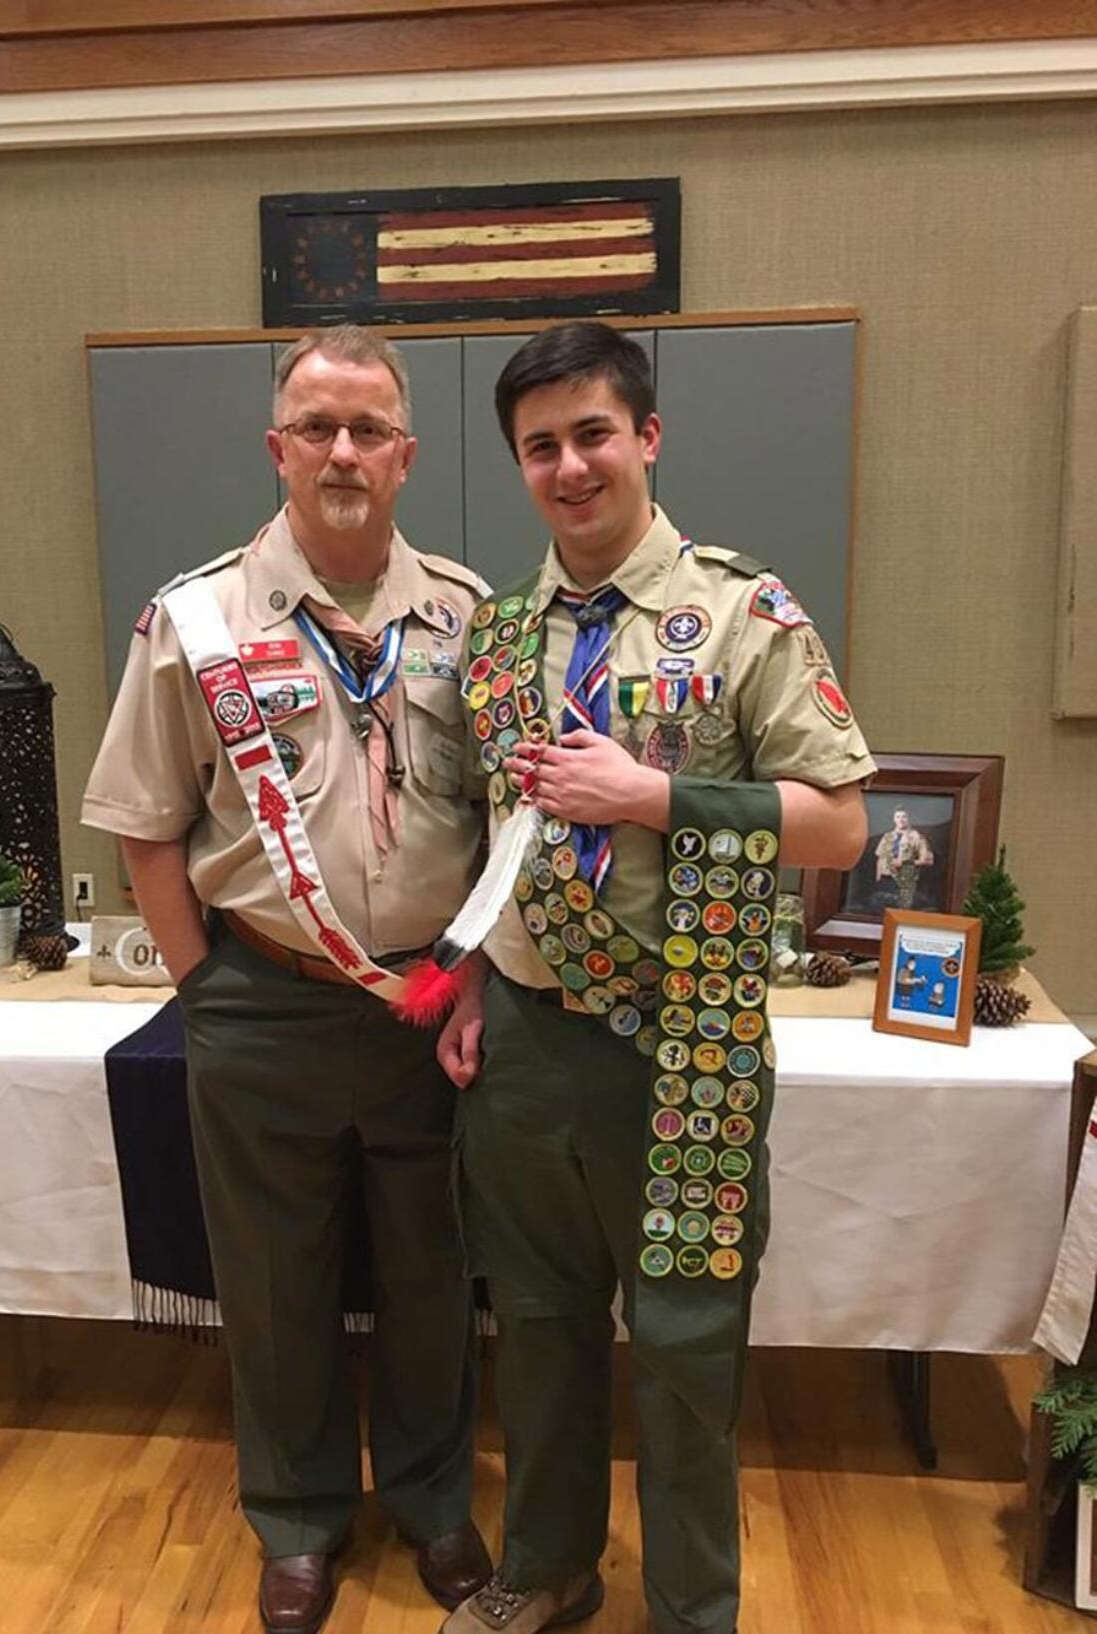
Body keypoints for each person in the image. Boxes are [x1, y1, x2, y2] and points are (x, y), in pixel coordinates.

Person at [436, 321, 875, 1634]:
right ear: (518, 462)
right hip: (517, 1037)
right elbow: (486, 832)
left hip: (681, 1045)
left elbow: (839, 823)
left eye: (591, 434)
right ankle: (548, 1566)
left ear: (645, 437)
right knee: (539, 1318)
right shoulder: (501, 635)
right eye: (539, 446)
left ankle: (691, 1607)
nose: (569, 467)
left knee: (683, 1346)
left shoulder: (745, 615)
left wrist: (656, 794)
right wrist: (464, 979)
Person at [82, 325, 492, 1634]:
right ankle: (299, 1516)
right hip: (258, 994)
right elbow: (146, 824)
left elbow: (510, 823)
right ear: (276, 447)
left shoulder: (471, 617)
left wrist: (476, 974)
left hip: (428, 1004)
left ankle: (431, 1498)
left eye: (367, 428)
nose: (341, 450)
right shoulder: (192, 618)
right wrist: (207, 987)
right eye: (315, 425)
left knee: (433, 1267)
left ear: (407, 455)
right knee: (272, 1275)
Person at [874, 807, 934, 908]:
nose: (901, 820)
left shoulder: (917, 837)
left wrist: (905, 863)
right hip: (886, 879)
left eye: (904, 817)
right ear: (894, 819)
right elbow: (880, 858)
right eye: (898, 817)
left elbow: (928, 861)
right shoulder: (887, 836)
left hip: (905, 880)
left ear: (909, 818)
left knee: (903, 908)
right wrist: (878, 878)